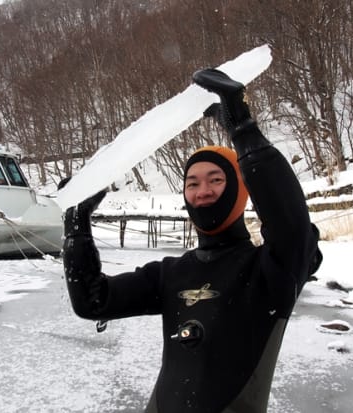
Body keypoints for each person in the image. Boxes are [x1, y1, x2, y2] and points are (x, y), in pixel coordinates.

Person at [61, 68, 322, 413]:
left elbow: (290, 223)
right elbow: (92, 301)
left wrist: (242, 128)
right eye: (192, 183)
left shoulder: (272, 270)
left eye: (216, 179)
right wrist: (76, 226)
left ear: (241, 190)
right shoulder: (171, 274)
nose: (202, 192)